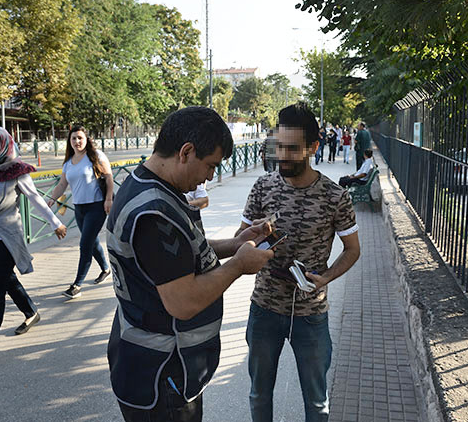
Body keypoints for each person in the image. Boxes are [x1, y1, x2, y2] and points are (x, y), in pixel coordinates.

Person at [105, 106, 275, 422]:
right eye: (210, 165)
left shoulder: (144, 183)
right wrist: (239, 265)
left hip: (155, 364)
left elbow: (177, 256)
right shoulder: (154, 213)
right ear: (186, 152)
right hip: (163, 374)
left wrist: (235, 245)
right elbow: (183, 303)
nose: (211, 176)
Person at [237, 103, 361, 422]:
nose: (283, 155)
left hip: (311, 313)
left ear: (313, 147)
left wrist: (325, 278)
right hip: (263, 307)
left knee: (317, 402)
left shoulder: (336, 197)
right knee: (259, 394)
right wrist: (253, 240)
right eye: (279, 146)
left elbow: (352, 250)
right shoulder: (263, 187)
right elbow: (240, 239)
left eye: (292, 149)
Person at [0, 126, 67, 366]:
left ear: (4, 145)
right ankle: (31, 312)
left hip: (8, 236)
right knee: (6, 279)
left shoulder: (15, 171)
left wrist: (56, 224)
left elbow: (35, 199)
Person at [46, 125, 113, 299]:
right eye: (74, 138)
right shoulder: (68, 163)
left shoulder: (96, 156)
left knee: (85, 245)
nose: (77, 141)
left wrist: (108, 199)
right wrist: (52, 198)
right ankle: (106, 268)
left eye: (80, 138)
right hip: (79, 208)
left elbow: (109, 177)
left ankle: (76, 285)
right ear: (69, 141)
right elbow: (62, 184)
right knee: (92, 242)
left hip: (96, 207)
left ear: (86, 139)